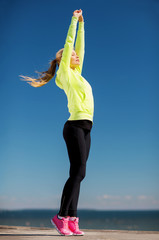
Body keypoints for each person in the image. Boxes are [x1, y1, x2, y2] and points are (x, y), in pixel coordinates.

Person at [19, 9, 94, 236]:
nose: (77, 56)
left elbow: (79, 46)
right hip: (74, 127)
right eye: (72, 55)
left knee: (80, 173)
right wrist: (73, 20)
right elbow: (70, 43)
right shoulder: (65, 75)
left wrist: (83, 24)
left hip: (87, 127)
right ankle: (61, 216)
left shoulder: (77, 73)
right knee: (77, 172)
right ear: (63, 59)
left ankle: (72, 219)